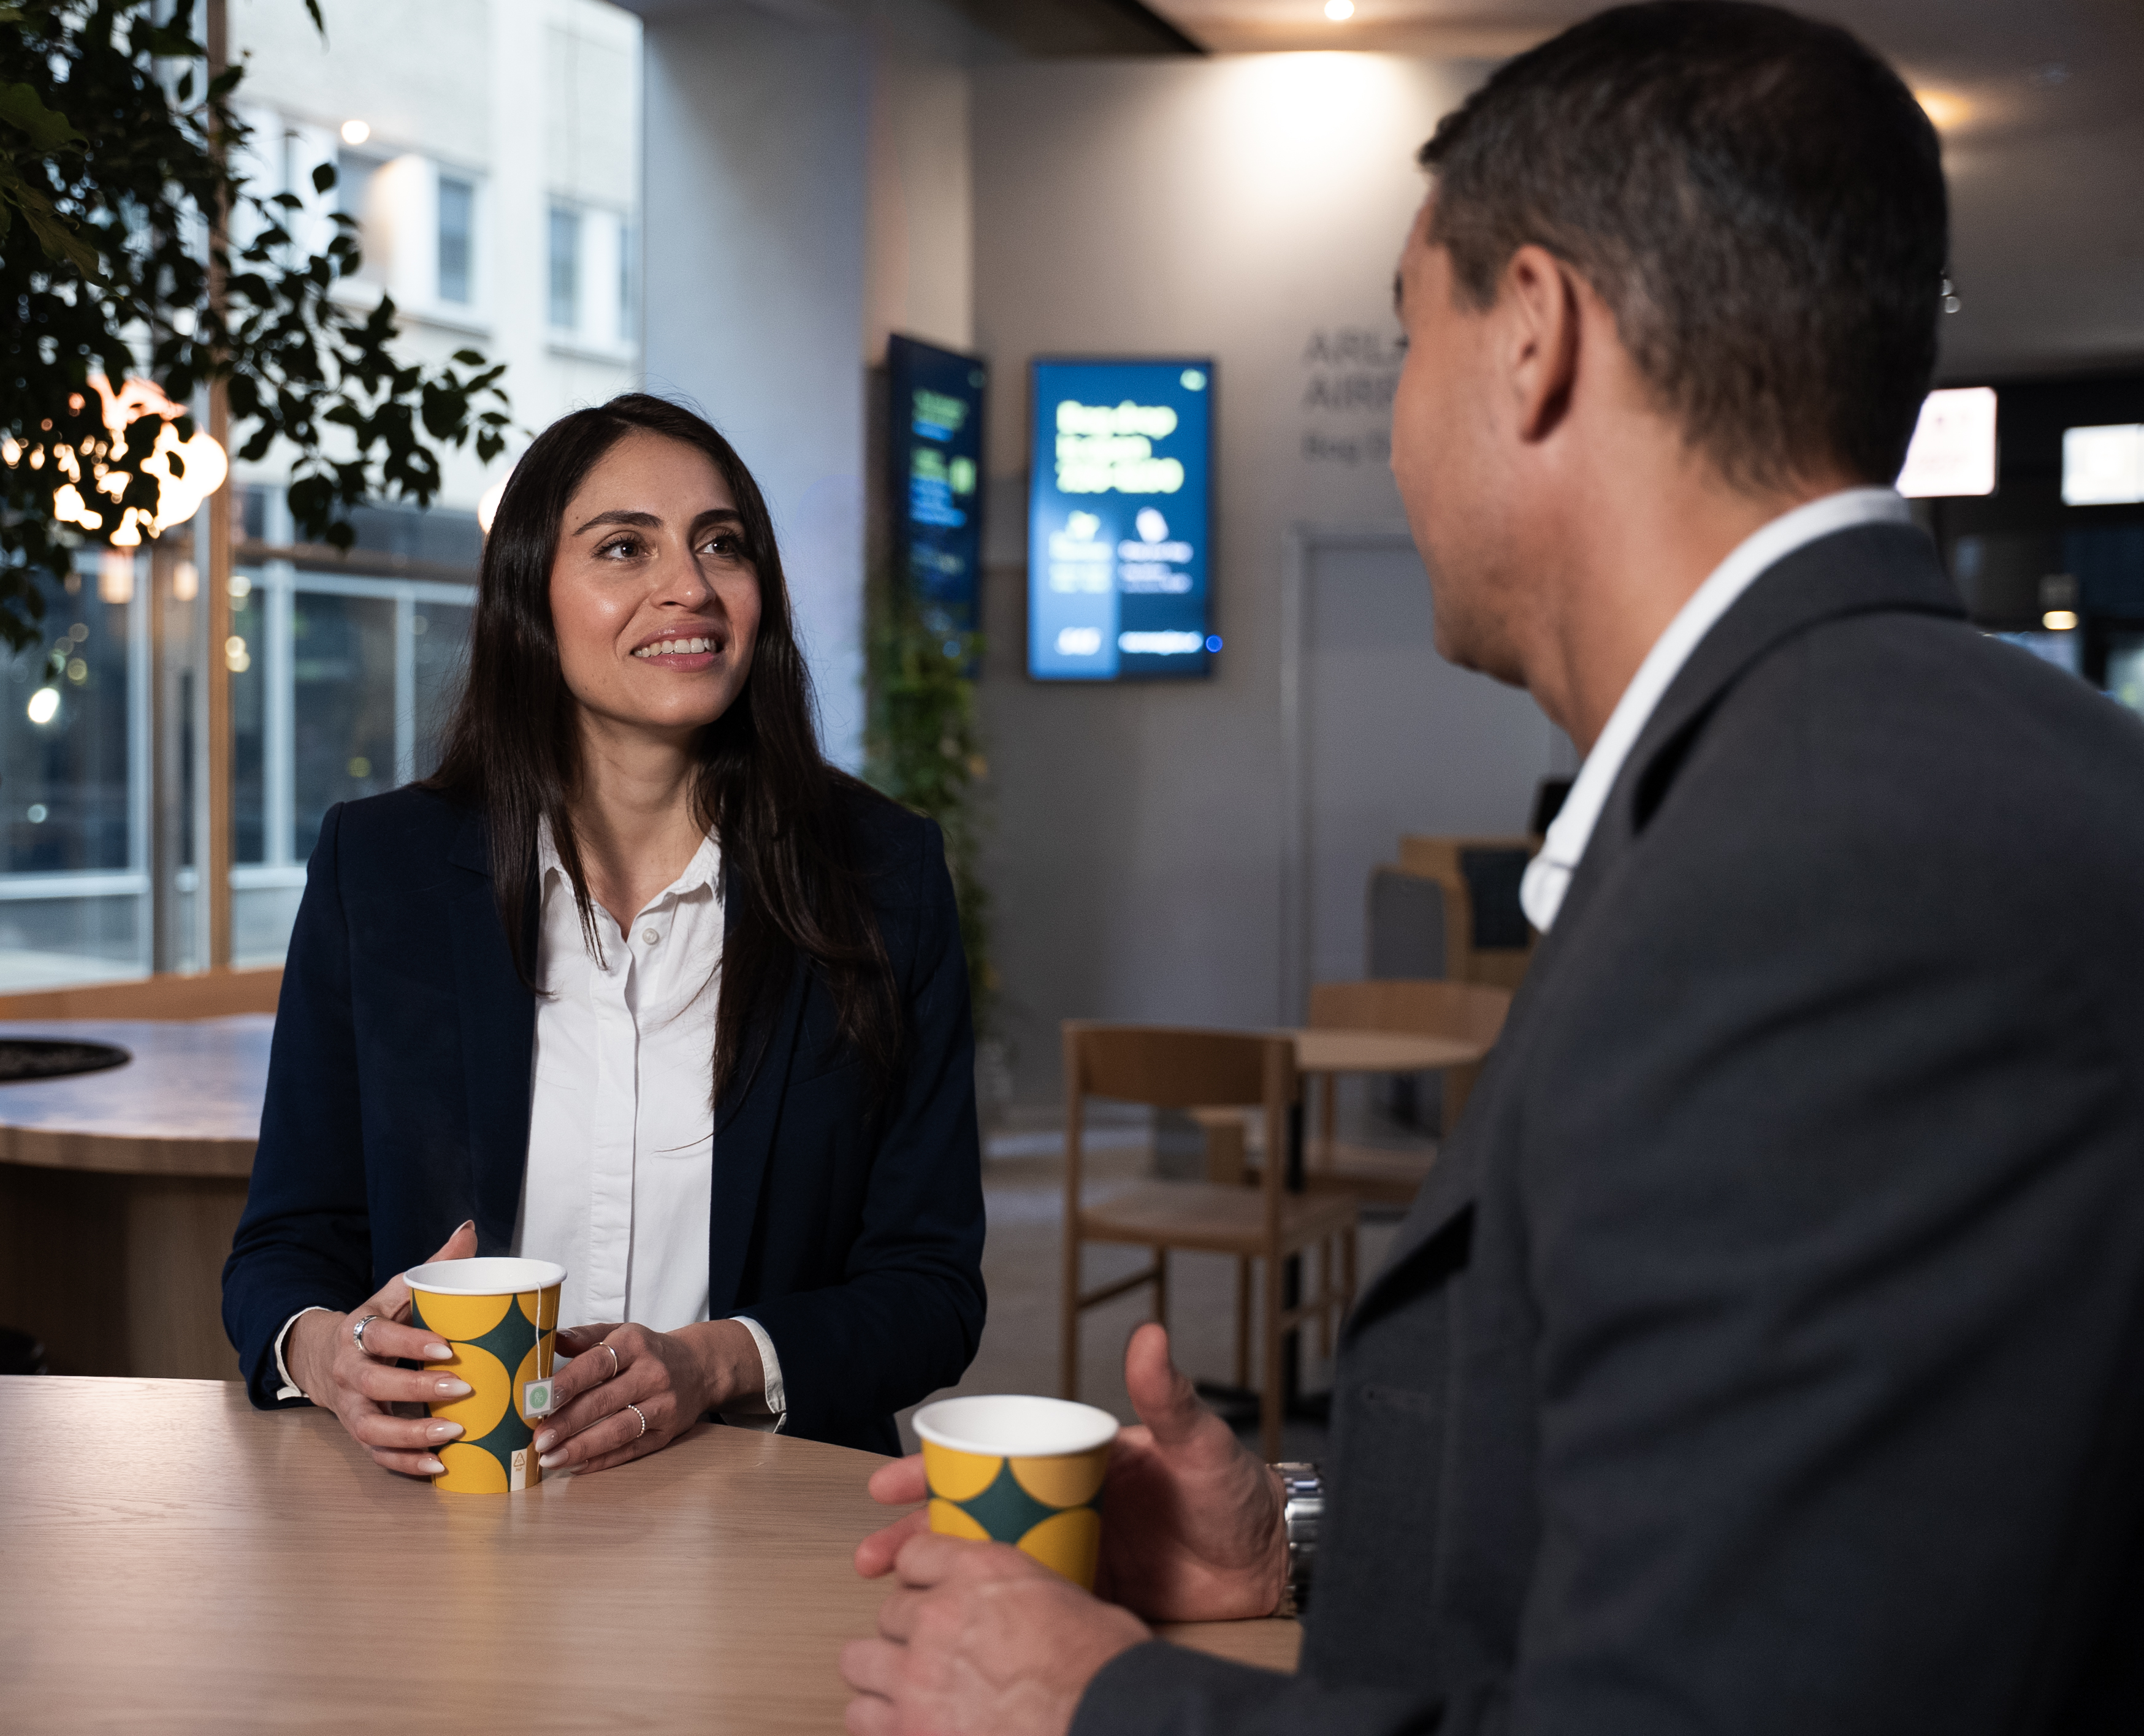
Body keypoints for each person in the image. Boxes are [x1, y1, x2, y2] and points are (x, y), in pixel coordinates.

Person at [844, 4, 2144, 1731]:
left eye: (1405, 338)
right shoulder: (1852, 772)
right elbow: (1745, 1513)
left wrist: (1106, 1707)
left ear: (1531, 334)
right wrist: (1299, 1545)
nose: (1394, 431)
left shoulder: (1837, 870)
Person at [221, 393, 986, 1475]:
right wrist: (326, 1352)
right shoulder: (379, 869)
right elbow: (283, 1249)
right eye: (625, 547)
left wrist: (718, 1363)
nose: (691, 586)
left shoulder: (882, 876)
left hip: (758, 1520)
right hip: (451, 1518)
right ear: (530, 597)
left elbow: (932, 1288)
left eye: (723, 545)